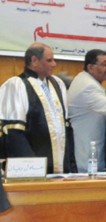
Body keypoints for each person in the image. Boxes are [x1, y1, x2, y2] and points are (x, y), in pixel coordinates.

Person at [0, 43, 76, 174]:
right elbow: (14, 135)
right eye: (49, 60)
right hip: (31, 168)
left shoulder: (58, 84)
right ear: (34, 61)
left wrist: (71, 165)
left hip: (61, 169)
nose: (54, 64)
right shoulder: (17, 85)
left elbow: (66, 129)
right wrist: (32, 169)